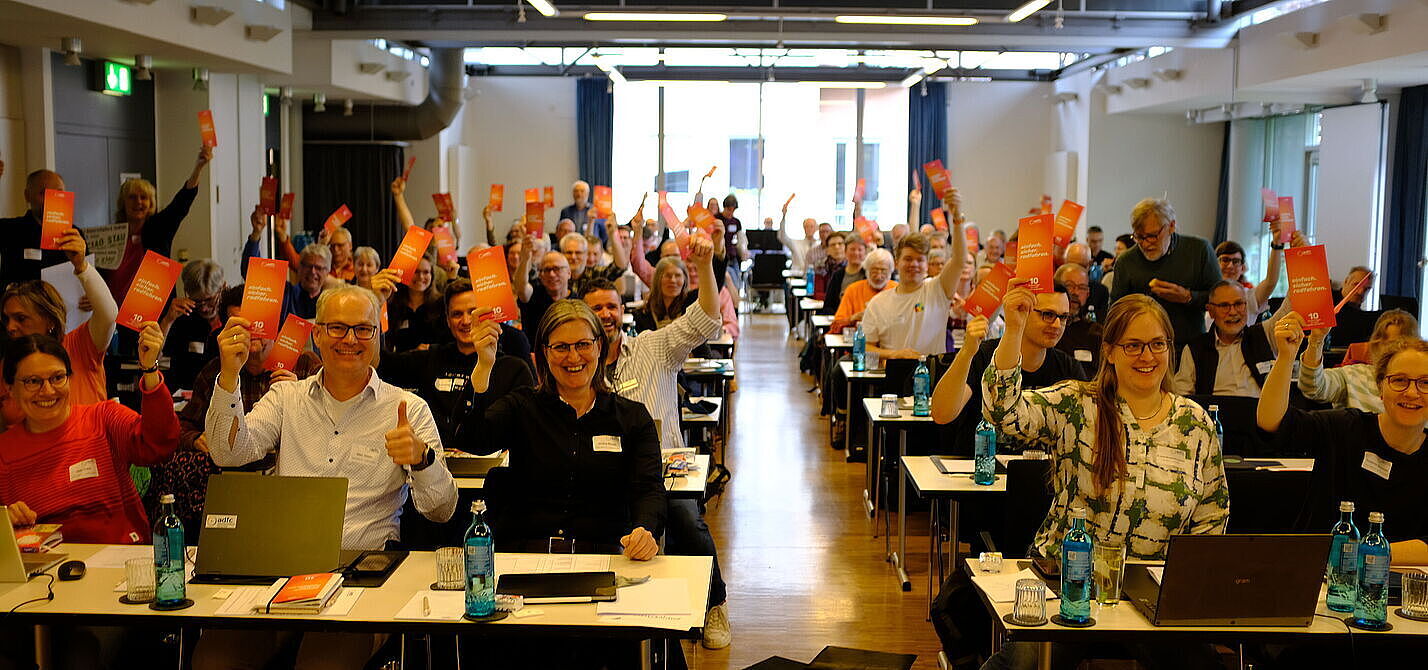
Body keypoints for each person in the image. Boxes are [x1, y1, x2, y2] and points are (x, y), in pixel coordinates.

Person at [977, 291, 1227, 670]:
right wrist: (1013, 331)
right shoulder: (1077, 404)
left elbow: (1212, 518)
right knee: (1023, 663)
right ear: (1109, 351)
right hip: (1068, 585)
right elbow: (1002, 413)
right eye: (1134, 346)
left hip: (1153, 595)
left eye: (1157, 344)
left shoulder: (1194, 423)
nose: (1148, 356)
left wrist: (1186, 589)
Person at [580, 238, 731, 649]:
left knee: (686, 523)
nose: (606, 315)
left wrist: (704, 266)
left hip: (667, 469)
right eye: (596, 308)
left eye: (612, 306)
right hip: (605, 474)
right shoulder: (573, 365)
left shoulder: (652, 346)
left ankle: (713, 602)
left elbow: (705, 320)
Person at [461, 298, 665, 554]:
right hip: (527, 558)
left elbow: (649, 488)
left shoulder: (632, 417)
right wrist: (483, 367)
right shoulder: (522, 406)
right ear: (545, 353)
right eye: (561, 347)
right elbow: (473, 440)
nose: (573, 357)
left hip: (602, 557)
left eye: (583, 344)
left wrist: (645, 529)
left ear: (599, 346)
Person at [149, 286, 321, 541]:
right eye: (238, 325)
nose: (249, 333)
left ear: (274, 323)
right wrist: (196, 438)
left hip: (290, 489)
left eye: (257, 324)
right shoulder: (215, 372)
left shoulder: (304, 365)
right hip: (232, 489)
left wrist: (302, 395)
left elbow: (332, 429)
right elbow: (182, 426)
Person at [1257, 315, 1428, 564]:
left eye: (1425, 383)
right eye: (1399, 380)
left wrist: (1363, 556)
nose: (1412, 392)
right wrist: (1286, 357)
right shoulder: (1345, 428)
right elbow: (1273, 422)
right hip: (1319, 581)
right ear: (1380, 387)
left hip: (1400, 592)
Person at [0, 324, 177, 543]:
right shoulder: (4, 453)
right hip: (44, 572)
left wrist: (150, 370)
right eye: (32, 382)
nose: (47, 391)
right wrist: (4, 521)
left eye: (57, 378)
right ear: (10, 389)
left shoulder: (103, 419)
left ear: (70, 378)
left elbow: (159, 445)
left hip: (119, 563)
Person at [378, 276, 533, 448]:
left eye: (473, 312)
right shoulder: (431, 358)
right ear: (447, 320)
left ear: (488, 316)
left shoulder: (514, 369)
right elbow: (380, 365)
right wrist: (375, 304)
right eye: (457, 314)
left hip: (490, 465)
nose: (466, 321)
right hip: (432, 462)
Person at [931, 284, 1085, 457]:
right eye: (1047, 315)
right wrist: (966, 352)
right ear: (1022, 310)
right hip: (981, 475)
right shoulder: (983, 355)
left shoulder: (1069, 368)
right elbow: (941, 414)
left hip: (1040, 477)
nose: (1057, 324)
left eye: (1063, 317)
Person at [0, 230, 118, 425]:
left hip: (89, 451)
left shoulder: (80, 345)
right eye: (6, 319)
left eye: (21, 318)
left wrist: (81, 266)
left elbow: (108, 314)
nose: (11, 327)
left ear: (50, 321)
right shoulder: (8, 364)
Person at [861, 190, 968, 359]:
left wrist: (957, 219)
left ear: (926, 265)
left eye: (920, 260)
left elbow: (959, 260)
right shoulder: (878, 303)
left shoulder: (938, 289)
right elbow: (865, 347)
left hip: (934, 376)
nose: (914, 265)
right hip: (896, 378)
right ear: (897, 263)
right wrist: (895, 354)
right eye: (908, 259)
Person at [1108, 198, 1220, 354]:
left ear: (1172, 226)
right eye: (1139, 237)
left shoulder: (1199, 250)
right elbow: (1116, 312)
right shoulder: (1126, 262)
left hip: (1191, 349)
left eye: (1152, 236)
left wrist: (1187, 296)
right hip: (1143, 350)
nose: (1146, 244)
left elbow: (1220, 300)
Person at [103, 146, 212, 297]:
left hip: (153, 310)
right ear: (123, 202)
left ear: (150, 203)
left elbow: (181, 203)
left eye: (144, 197)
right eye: (132, 197)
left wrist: (198, 167)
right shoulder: (111, 235)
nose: (138, 202)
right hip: (116, 310)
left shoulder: (159, 228)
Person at [1172, 280, 1293, 398]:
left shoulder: (1264, 335)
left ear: (1246, 306)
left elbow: (1290, 305)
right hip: (1215, 416)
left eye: (1239, 304)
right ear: (1211, 311)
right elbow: (1182, 398)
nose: (1233, 312)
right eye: (1224, 306)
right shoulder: (1195, 350)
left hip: (1261, 416)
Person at [1299, 309, 1420, 413]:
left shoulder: (1421, 387)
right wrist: (1316, 340)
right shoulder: (1352, 376)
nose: (1395, 352)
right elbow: (1313, 387)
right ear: (1376, 345)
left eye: (1402, 345)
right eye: (1390, 345)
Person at [161, 259, 226, 392]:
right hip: (188, 398)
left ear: (222, 288)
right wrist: (168, 321)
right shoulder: (182, 318)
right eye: (196, 301)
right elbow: (154, 357)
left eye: (209, 299)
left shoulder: (232, 315)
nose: (204, 308)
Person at [0, 170, 72, 289]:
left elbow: (88, 277)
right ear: (27, 196)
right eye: (43, 193)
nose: (51, 199)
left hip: (64, 306)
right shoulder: (9, 229)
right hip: (19, 305)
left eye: (58, 193)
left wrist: (89, 294)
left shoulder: (74, 235)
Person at [1050, 265, 1103, 376]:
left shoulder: (1097, 334)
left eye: (1082, 287)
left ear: (1088, 294)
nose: (1075, 292)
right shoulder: (1048, 327)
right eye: (1069, 285)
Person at [385, 256, 444, 352]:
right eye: (416, 272)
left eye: (426, 272)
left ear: (432, 275)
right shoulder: (393, 305)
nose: (421, 277)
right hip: (402, 364)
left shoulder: (441, 304)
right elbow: (388, 342)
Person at [830, 249, 896, 334]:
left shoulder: (897, 290)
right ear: (867, 271)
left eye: (883, 271)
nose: (879, 276)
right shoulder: (853, 290)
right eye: (874, 271)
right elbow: (835, 326)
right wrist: (854, 318)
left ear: (891, 272)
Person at [821, 234, 868, 318]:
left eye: (860, 250)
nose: (856, 253)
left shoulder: (868, 275)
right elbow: (828, 306)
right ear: (845, 252)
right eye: (852, 249)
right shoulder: (838, 275)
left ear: (865, 253)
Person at [1060, 242, 1109, 318]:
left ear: (1089, 264)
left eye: (1081, 266)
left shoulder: (1100, 292)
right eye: (1071, 266)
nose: (1076, 271)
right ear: (1064, 262)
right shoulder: (1054, 289)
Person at [778, 203, 817, 273]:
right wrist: (783, 216)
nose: (809, 229)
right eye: (806, 226)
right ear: (803, 228)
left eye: (811, 226)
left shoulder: (819, 245)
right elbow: (782, 236)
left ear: (816, 228)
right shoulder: (796, 243)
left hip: (813, 276)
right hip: (797, 276)